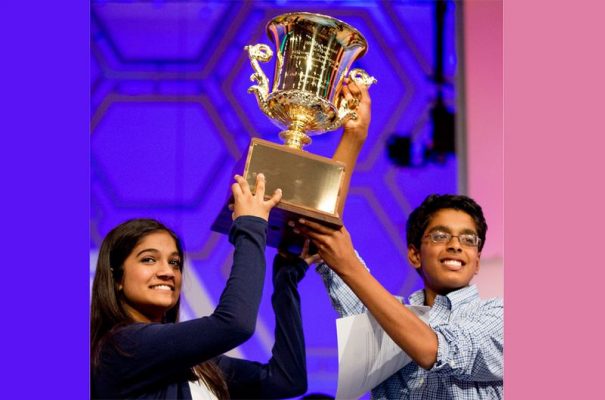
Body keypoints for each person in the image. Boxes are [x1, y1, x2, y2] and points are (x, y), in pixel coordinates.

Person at [293, 87, 504, 398]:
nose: (456, 245)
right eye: (440, 235)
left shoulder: (499, 316)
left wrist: (350, 266)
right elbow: (321, 228)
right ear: (414, 254)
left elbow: (434, 349)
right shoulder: (383, 319)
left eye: (468, 239)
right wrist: (354, 136)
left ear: (476, 260)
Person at [90, 174, 309, 399]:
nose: (167, 272)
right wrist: (251, 226)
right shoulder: (121, 347)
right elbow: (235, 325)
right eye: (148, 259)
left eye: (174, 262)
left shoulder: (197, 364)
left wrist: (286, 281)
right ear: (116, 278)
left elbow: (286, 381)